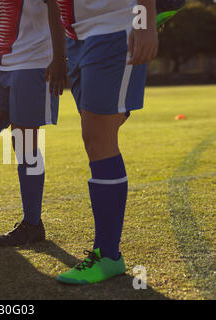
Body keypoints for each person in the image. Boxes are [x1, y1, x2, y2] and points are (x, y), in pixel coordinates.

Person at [55, 0, 158, 284]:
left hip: (114, 25)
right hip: (76, 35)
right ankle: (108, 254)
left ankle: (109, 255)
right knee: (95, 136)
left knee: (98, 137)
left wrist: (145, 21)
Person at [0, 0, 67, 246]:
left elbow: (57, 7)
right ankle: (16, 112)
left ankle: (32, 224)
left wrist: (59, 58)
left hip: (33, 61)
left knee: (25, 145)